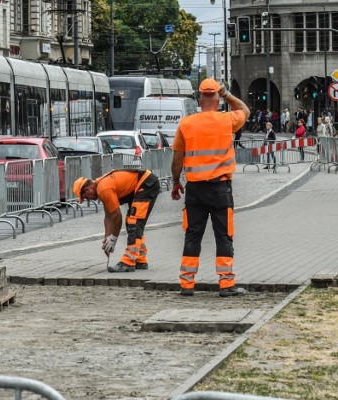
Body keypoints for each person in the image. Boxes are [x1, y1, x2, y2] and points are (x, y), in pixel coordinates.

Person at [170, 78, 250, 297]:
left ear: (199, 98)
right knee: (224, 235)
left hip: (194, 190)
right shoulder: (227, 120)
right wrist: (227, 94)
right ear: (216, 97)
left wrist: (176, 181)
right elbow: (245, 109)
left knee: (192, 235)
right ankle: (226, 284)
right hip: (220, 190)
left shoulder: (186, 124)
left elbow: (177, 158)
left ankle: (186, 284)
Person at [73, 169, 160, 273]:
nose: (88, 200)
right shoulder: (101, 187)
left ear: (87, 190)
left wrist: (113, 239)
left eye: (85, 197)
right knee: (132, 222)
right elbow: (108, 217)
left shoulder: (103, 189)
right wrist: (107, 240)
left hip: (146, 184)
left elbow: (117, 216)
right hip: (144, 184)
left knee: (134, 223)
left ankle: (128, 262)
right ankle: (140, 260)